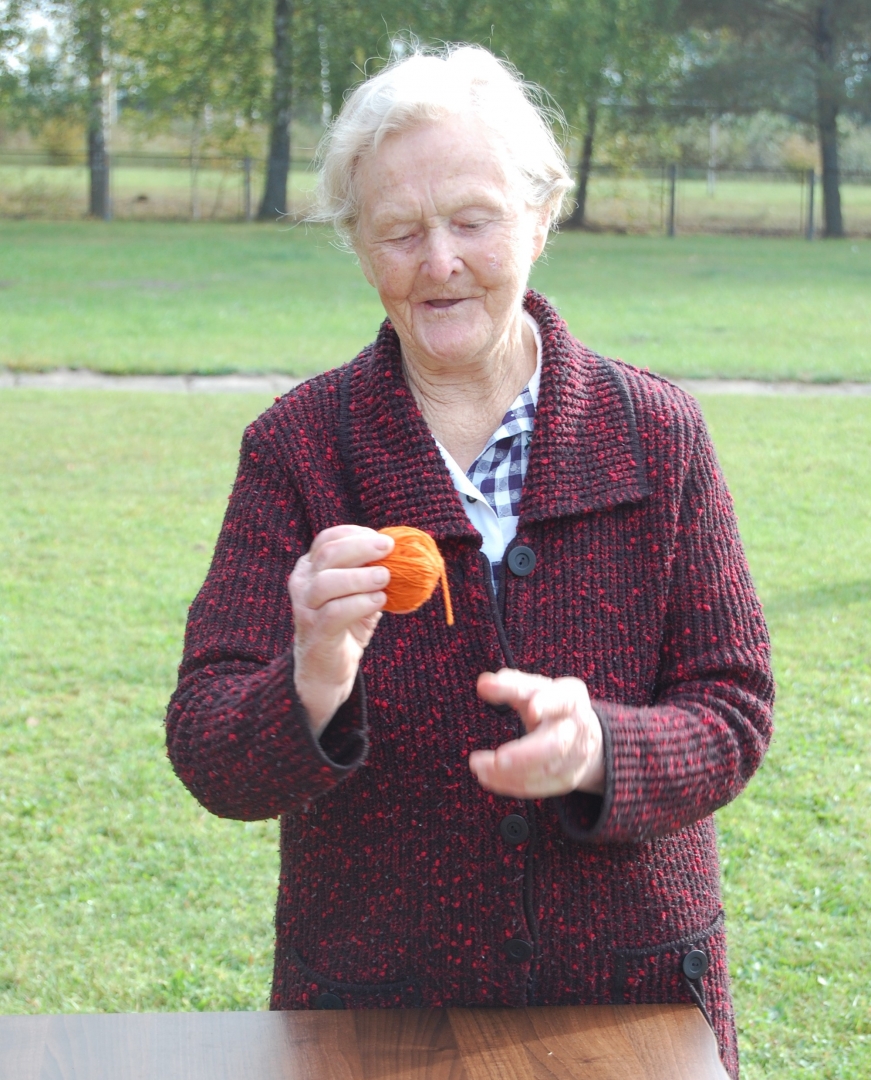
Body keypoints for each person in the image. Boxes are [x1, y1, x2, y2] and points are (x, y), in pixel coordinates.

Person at [166, 45, 773, 1079]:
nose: (439, 261)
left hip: (627, 1009)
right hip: (372, 1015)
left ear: (540, 218)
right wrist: (311, 676)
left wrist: (603, 749)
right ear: (359, 246)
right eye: (399, 230)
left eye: (473, 220)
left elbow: (734, 709)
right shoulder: (298, 449)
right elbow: (210, 751)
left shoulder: (655, 432)